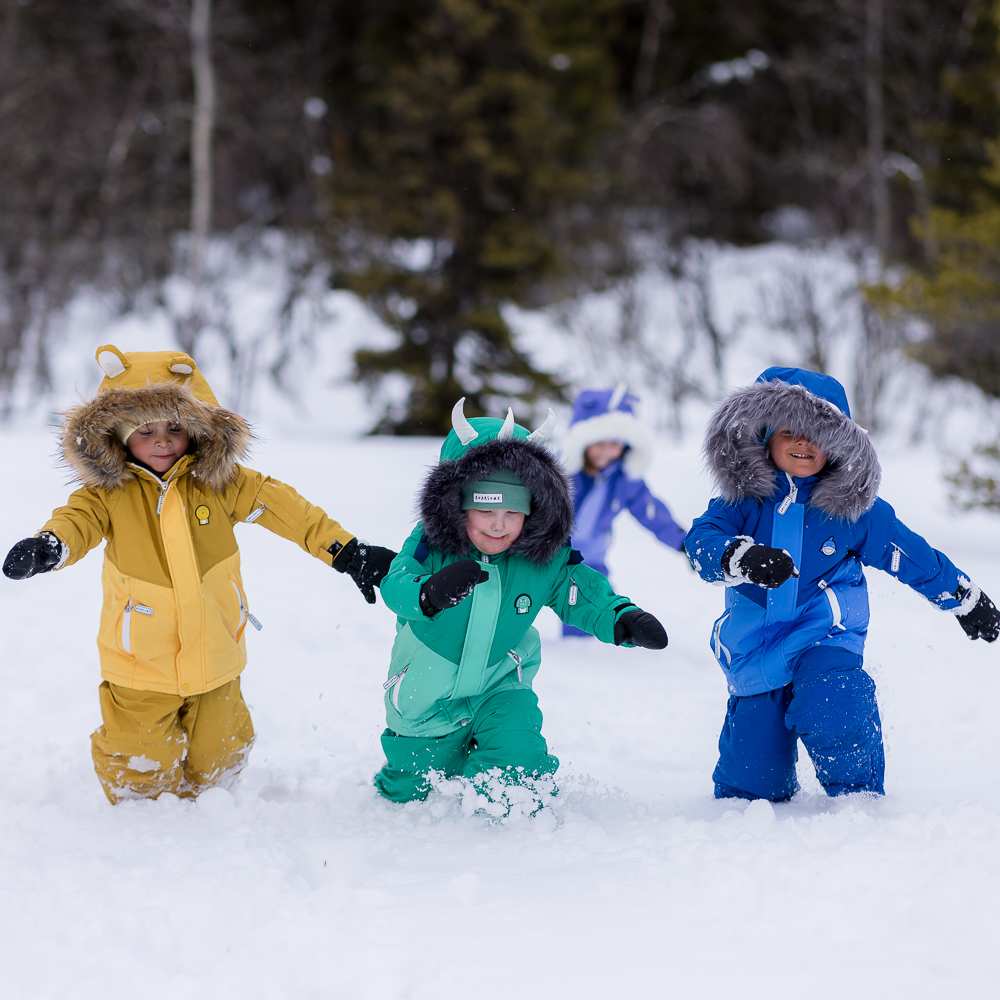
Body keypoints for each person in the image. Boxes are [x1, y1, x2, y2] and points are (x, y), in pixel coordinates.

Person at [2, 344, 395, 804]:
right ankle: (140, 812)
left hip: (217, 651)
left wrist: (346, 551)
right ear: (117, 436)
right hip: (140, 660)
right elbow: (76, 523)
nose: (163, 440)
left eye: (175, 427)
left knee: (220, 752)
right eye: (145, 430)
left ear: (199, 427)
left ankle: (213, 801)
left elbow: (288, 510)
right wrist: (50, 547)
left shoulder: (221, 481)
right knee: (139, 756)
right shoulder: (107, 495)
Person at [685, 366, 999, 802]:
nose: (801, 443)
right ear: (764, 436)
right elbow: (701, 541)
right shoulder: (741, 501)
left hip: (825, 633)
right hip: (756, 645)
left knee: (835, 697)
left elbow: (911, 555)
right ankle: (754, 798)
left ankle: (858, 796)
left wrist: (963, 597)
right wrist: (741, 557)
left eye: (817, 434)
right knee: (751, 784)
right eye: (789, 431)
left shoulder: (855, 510)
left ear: (838, 445)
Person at [373, 399, 668, 807]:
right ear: (456, 504)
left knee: (517, 763)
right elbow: (396, 582)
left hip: (501, 682)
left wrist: (619, 617)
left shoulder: (539, 556)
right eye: (485, 509)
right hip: (427, 692)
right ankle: (427, 775)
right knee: (410, 791)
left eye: (513, 511)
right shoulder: (431, 545)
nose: (499, 524)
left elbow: (575, 586)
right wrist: (429, 593)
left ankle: (507, 824)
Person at [561, 385, 686, 637]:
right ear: (583, 441)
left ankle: (578, 654)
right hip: (553, 553)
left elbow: (652, 513)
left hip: (591, 558)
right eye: (600, 442)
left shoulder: (624, 479)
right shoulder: (564, 474)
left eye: (615, 443)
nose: (607, 451)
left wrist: (684, 543)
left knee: (588, 605)